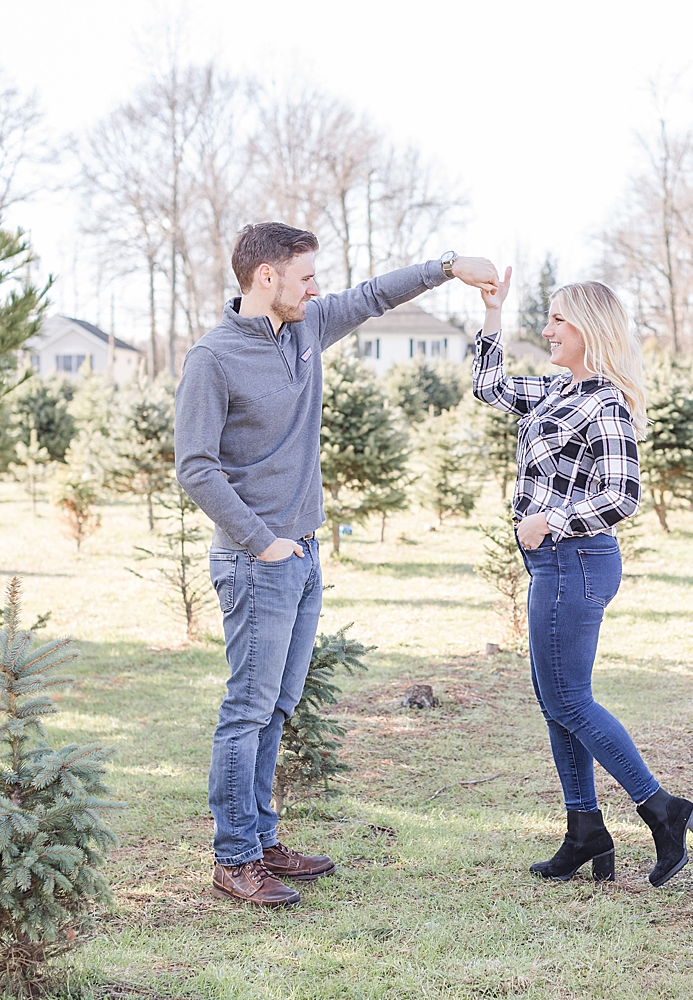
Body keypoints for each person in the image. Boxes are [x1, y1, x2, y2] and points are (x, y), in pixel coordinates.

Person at [176, 222, 498, 907]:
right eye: (305, 277)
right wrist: (262, 540)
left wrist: (447, 266)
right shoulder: (213, 358)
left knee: (276, 709)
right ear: (265, 278)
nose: (317, 288)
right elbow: (195, 467)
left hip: (302, 555)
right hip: (256, 561)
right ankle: (232, 858)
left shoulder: (304, 328)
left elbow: (375, 295)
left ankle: (261, 843)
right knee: (247, 711)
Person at [471, 271, 693, 887]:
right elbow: (488, 386)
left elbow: (623, 496)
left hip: (576, 560)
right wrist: (493, 314)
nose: (547, 329)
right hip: (551, 564)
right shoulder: (557, 391)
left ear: (590, 329)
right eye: (547, 318)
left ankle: (662, 810)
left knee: (570, 700)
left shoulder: (604, 404)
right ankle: (585, 830)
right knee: (557, 704)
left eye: (558, 319)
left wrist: (551, 518)